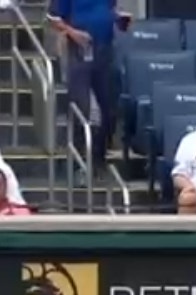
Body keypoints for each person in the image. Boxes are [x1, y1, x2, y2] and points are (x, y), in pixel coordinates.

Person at [47, 0, 119, 175]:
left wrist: (118, 19)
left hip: (105, 50)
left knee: (109, 106)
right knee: (81, 107)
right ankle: (77, 164)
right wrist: (73, 33)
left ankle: (98, 159)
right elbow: (52, 18)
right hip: (79, 50)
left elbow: (110, 9)